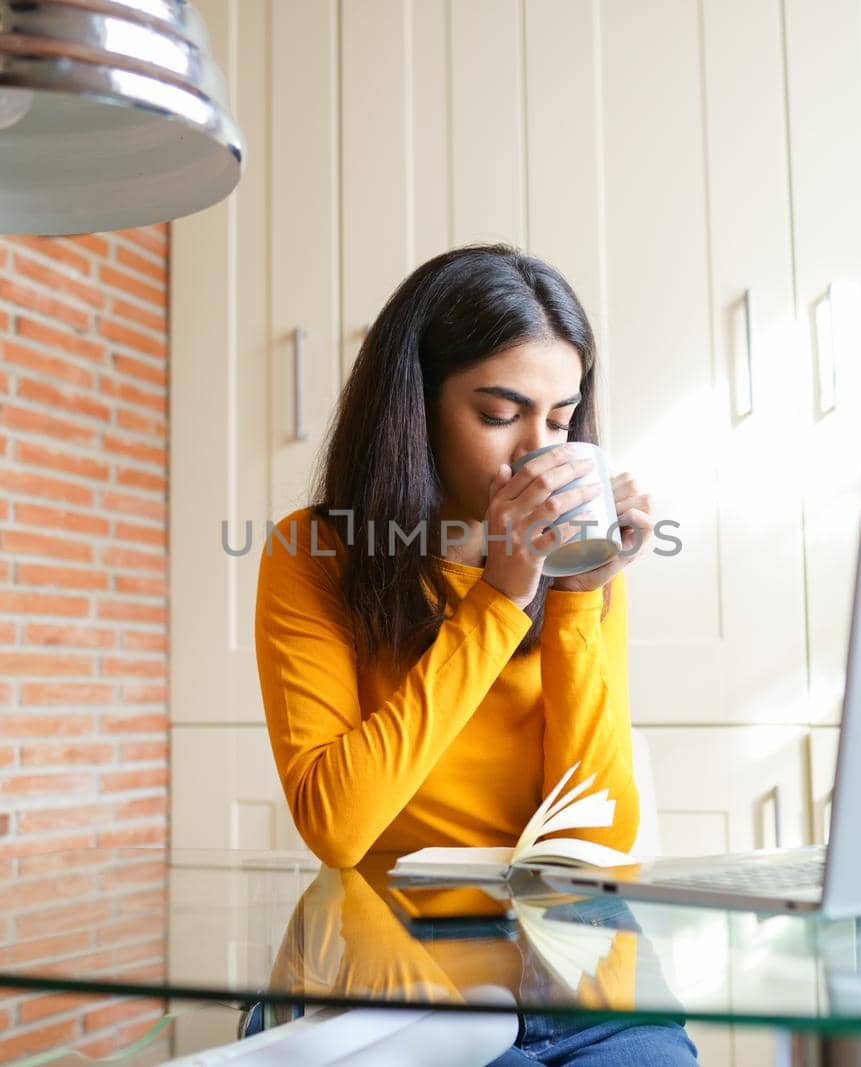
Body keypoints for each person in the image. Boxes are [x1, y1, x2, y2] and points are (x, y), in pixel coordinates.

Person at [252, 243, 694, 1064]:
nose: (538, 451)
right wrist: (497, 598)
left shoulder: (584, 570)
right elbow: (339, 827)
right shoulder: (315, 553)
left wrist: (571, 597)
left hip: (578, 975)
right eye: (500, 414)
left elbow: (595, 838)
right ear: (414, 406)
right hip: (395, 982)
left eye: (560, 419)